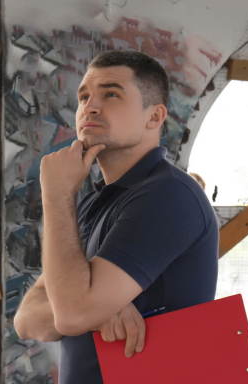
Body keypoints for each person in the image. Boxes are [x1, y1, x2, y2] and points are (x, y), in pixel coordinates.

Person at [13, 50, 219, 384]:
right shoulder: (94, 202)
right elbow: (26, 317)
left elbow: (72, 313)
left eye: (111, 94)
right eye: (84, 96)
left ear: (154, 118)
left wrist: (55, 194)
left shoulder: (166, 194)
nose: (89, 107)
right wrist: (97, 312)